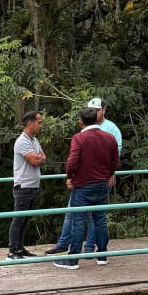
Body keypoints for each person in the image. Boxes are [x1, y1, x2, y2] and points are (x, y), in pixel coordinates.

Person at [47, 96, 122, 256]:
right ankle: (102, 256)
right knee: (100, 220)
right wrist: (108, 173)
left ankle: (73, 258)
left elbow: (72, 161)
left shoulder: (79, 138)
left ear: (81, 122)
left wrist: (70, 176)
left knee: (78, 220)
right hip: (102, 183)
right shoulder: (109, 137)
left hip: (83, 184)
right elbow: (116, 160)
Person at [8, 110, 45, 260]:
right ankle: (12, 251)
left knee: (24, 220)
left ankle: (19, 248)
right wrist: (39, 158)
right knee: (18, 219)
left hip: (32, 186)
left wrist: (40, 158)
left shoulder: (34, 140)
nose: (41, 125)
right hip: (23, 187)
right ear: (30, 122)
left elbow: (43, 156)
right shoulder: (22, 141)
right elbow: (36, 160)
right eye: (39, 122)